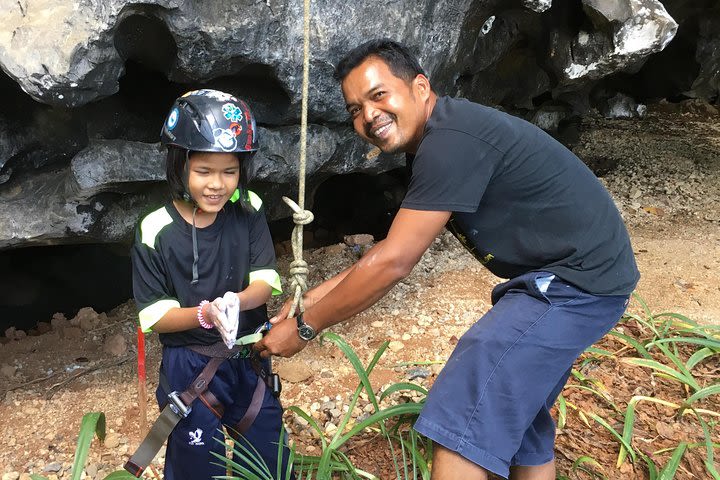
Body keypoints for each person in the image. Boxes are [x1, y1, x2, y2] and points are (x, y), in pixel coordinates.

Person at [254, 39, 640, 480]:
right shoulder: (441, 135)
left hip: (575, 284)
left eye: (379, 96)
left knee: (466, 403)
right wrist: (311, 298)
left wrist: (307, 326)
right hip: (571, 278)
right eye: (355, 110)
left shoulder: (450, 142)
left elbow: (395, 263)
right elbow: (390, 247)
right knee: (518, 412)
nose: (368, 116)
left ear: (420, 86)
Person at [130, 89, 289, 479]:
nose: (217, 184)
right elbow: (154, 316)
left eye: (229, 171)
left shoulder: (248, 208)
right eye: (204, 171)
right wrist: (205, 314)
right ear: (180, 166)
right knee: (198, 467)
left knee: (271, 459)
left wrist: (235, 301)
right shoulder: (156, 229)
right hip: (190, 366)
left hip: (249, 358)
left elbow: (265, 281)